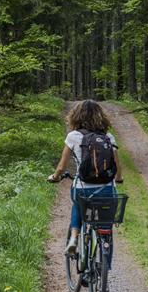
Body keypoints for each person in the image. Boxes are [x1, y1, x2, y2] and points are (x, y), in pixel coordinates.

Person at [48, 100, 123, 254]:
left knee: (77, 204)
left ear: (76, 116)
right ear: (101, 116)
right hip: (106, 189)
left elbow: (61, 167)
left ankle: (74, 238)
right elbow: (117, 165)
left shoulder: (73, 136)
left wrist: (55, 177)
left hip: (82, 188)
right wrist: (118, 179)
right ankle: (104, 268)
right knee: (105, 226)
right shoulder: (108, 136)